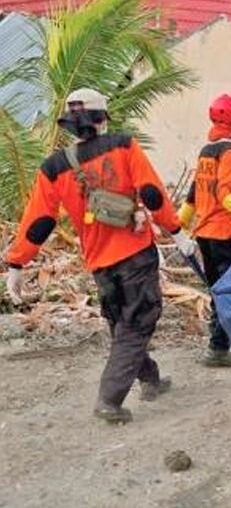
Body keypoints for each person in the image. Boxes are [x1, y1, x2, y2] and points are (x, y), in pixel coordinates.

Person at [4, 89, 187, 423]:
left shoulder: (54, 167)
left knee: (123, 323)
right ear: (102, 118)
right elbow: (152, 194)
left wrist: (17, 263)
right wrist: (177, 230)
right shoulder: (124, 146)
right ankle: (109, 400)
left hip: (100, 263)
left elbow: (39, 222)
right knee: (138, 321)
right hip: (134, 253)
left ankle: (150, 380)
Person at [177, 93, 231, 368]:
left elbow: (193, 194)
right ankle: (219, 348)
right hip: (224, 232)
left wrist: (178, 226)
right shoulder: (230, 151)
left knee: (217, 290)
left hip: (205, 234)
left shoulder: (207, 151)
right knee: (230, 291)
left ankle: (220, 345)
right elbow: (222, 193)